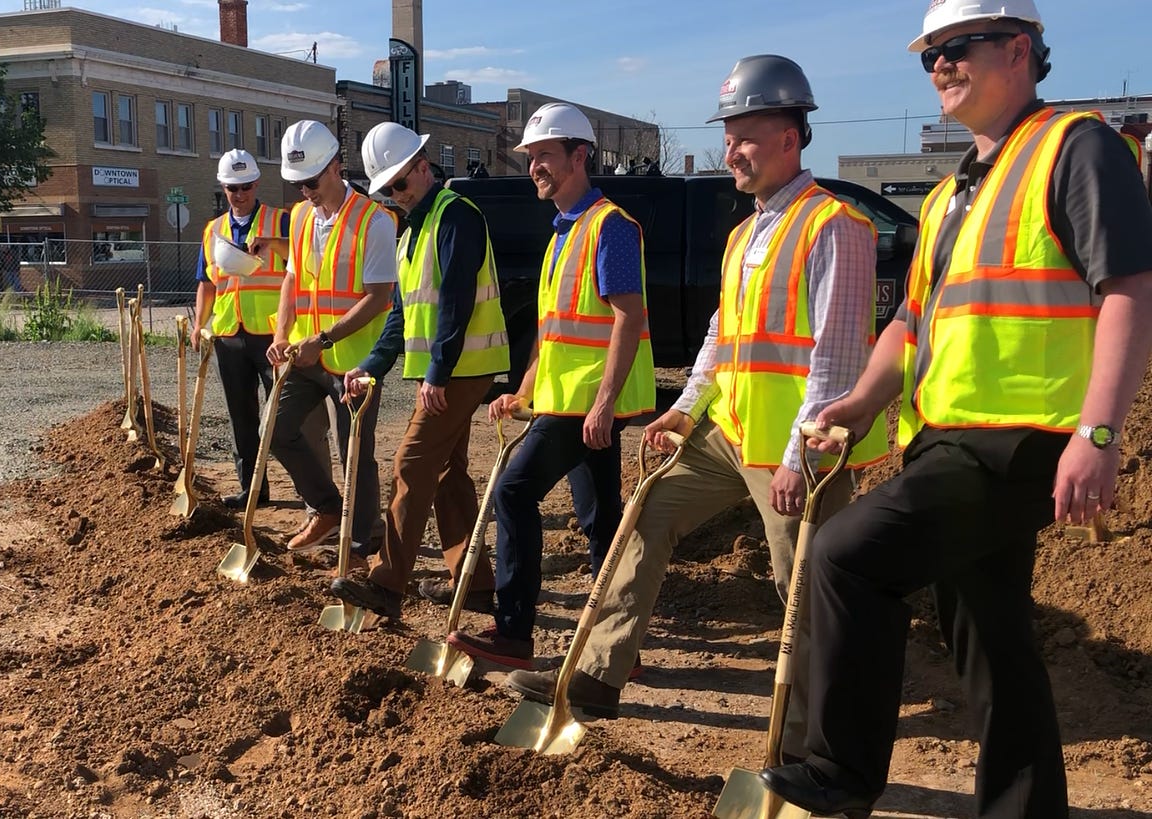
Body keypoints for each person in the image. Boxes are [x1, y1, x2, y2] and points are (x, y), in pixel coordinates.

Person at [759, 2, 1152, 817]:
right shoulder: (951, 195)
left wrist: (1100, 432)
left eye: (955, 47)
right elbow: (913, 322)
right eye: (928, 54)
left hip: (1023, 437)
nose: (939, 65)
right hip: (948, 437)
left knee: (846, 555)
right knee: (989, 631)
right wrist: (861, 401)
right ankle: (1026, 803)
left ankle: (840, 773)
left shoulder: (1076, 148)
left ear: (1019, 49)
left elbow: (1129, 288)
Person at [500, 56, 889, 747]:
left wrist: (801, 453)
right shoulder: (746, 232)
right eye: (729, 136)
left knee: (801, 586)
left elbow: (836, 357)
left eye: (746, 136)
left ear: (792, 138)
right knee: (646, 515)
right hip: (731, 431)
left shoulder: (835, 227)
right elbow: (722, 332)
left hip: (799, 449)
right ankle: (596, 671)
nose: (731, 150)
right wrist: (687, 406)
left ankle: (810, 738)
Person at [445, 102, 656, 669]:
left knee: (513, 491)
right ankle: (620, 647)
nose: (536, 166)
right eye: (531, 157)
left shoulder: (608, 226)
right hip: (567, 399)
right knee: (600, 517)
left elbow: (628, 317)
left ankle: (514, 635)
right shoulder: (564, 230)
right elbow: (553, 333)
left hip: (589, 402)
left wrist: (606, 404)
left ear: (579, 156)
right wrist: (525, 390)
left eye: (546, 156)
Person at [326, 122, 510, 620]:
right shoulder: (413, 234)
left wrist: (438, 373)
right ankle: (473, 583)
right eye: (386, 189)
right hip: (449, 369)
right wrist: (369, 367)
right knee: (447, 472)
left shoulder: (455, 217)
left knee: (410, 461)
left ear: (424, 168)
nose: (395, 195)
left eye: (400, 184)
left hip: (463, 369)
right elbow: (402, 319)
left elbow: (455, 301)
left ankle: (387, 584)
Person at [266, 120, 396, 556]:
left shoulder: (375, 221)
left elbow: (379, 298)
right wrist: (282, 333)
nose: (306, 191)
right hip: (306, 354)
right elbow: (291, 279)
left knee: (355, 452)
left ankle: (361, 541)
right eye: (299, 183)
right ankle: (324, 508)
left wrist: (322, 339)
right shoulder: (300, 217)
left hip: (353, 362)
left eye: (313, 180)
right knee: (276, 430)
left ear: (337, 167)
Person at [193, 148, 323, 510]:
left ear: (256, 184)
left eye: (246, 186)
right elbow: (206, 282)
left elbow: (302, 259)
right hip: (229, 334)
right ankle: (252, 489)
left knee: (284, 416)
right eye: (234, 188)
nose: (240, 194)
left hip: (272, 335)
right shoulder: (213, 230)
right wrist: (199, 325)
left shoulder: (281, 221)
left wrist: (272, 245)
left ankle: (312, 495)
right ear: (223, 187)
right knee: (242, 415)